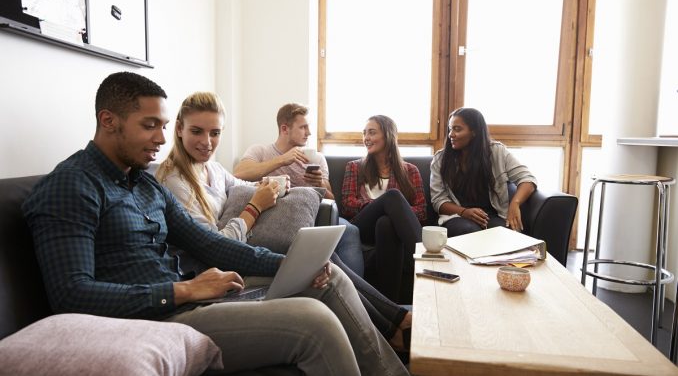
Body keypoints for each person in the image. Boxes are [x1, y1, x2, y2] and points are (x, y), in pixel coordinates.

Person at [21, 72, 408, 375]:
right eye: (149, 125)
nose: (160, 138)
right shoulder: (71, 187)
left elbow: (211, 245)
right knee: (314, 321)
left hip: (190, 299)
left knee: (329, 278)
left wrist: (290, 265)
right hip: (159, 317)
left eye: (163, 125)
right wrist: (182, 291)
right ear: (108, 121)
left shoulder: (142, 185)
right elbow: (71, 296)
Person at [157, 91, 412, 353]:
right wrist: (255, 206)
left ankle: (396, 322)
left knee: (327, 262)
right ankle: (395, 328)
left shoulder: (212, 169)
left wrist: (273, 186)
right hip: (219, 273)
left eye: (215, 133)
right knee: (326, 273)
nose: (207, 142)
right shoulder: (176, 182)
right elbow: (214, 248)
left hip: (240, 255)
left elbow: (245, 185)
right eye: (197, 131)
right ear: (179, 129)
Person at [234, 103, 365, 276]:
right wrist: (282, 160)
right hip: (273, 217)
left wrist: (320, 184)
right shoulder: (260, 151)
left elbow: (331, 201)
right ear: (284, 128)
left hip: (314, 216)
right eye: (303, 127)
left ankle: (351, 294)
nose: (309, 133)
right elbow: (239, 173)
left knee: (349, 230)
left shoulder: (316, 158)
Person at [341, 115, 426, 304]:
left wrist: (391, 213)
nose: (366, 138)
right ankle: (427, 259)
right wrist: (381, 206)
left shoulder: (410, 171)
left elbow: (421, 211)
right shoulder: (354, 167)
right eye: (364, 133)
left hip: (388, 231)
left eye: (372, 132)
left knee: (386, 223)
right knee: (393, 197)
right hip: (362, 227)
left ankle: (392, 312)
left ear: (388, 136)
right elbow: (347, 205)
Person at [430, 107, 537, 237]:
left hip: (492, 216)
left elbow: (527, 179)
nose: (451, 134)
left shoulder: (497, 152)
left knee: (505, 235)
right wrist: (464, 212)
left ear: (474, 132)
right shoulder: (440, 159)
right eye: (450, 129)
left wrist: (515, 203)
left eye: (457, 129)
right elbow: (438, 201)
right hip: (457, 216)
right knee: (469, 232)